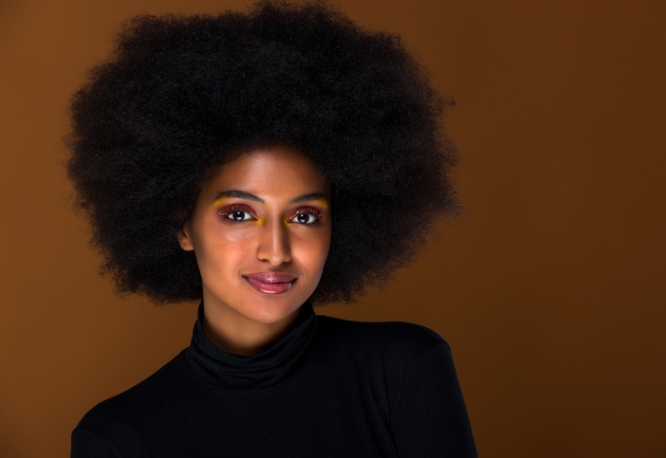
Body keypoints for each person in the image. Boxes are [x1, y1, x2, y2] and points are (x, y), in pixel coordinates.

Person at [67, 1, 477, 456]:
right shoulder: (118, 438)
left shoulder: (403, 369)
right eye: (239, 214)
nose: (276, 251)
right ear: (182, 226)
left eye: (304, 217)